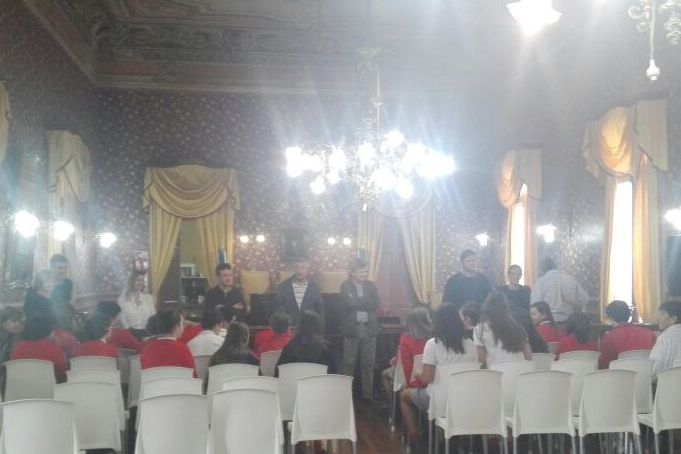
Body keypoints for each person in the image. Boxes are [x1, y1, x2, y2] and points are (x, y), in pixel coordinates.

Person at [400, 304, 476, 440]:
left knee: (404, 396)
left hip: (438, 399)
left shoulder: (432, 344)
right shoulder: (470, 344)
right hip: (465, 399)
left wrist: (417, 373)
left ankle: (414, 437)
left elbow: (427, 378)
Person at [340, 259, 380, 401]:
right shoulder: (345, 286)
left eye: (365, 271)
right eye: (361, 271)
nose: (364, 274)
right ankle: (345, 396)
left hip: (369, 330)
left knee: (368, 365)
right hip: (352, 330)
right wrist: (366, 301)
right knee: (348, 365)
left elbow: (376, 303)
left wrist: (357, 301)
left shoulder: (371, 285)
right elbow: (349, 303)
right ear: (353, 272)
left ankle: (367, 397)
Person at [380, 306, 433, 406]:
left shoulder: (405, 338)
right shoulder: (432, 339)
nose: (430, 319)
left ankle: (393, 406)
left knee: (385, 374)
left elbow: (407, 364)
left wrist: (398, 359)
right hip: (430, 375)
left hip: (413, 375)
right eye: (428, 317)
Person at [475, 291, 531, 368]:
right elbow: (528, 355)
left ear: (486, 307)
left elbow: (481, 360)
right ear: (506, 306)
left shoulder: (480, 329)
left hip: (496, 372)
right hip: (520, 371)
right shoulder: (517, 326)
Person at [11, 313, 67, 382]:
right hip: (49, 386)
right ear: (48, 329)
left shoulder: (18, 347)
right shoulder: (53, 348)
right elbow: (62, 375)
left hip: (21, 386)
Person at [599, 300, 656, 368]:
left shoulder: (609, 338)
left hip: (621, 373)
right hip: (646, 372)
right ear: (628, 314)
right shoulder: (649, 334)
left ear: (610, 317)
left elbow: (605, 365)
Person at [530, 258, 588, 323]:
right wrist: (575, 305)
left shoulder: (540, 282)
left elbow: (535, 304)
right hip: (568, 320)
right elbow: (585, 299)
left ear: (542, 270)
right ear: (556, 267)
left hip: (547, 322)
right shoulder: (569, 279)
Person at [140, 309, 196, 375]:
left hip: (154, 381)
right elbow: (192, 375)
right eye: (183, 324)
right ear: (176, 327)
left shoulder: (147, 348)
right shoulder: (182, 348)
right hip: (178, 381)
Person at [275, 260, 325, 331]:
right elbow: (279, 311)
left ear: (308, 270)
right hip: (288, 330)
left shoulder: (314, 287)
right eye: (297, 267)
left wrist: (321, 331)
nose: (299, 271)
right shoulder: (283, 287)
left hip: (310, 330)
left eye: (303, 268)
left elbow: (320, 311)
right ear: (293, 269)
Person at [649, 301, 681, 378]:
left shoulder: (666, 337)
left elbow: (654, 370)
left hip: (670, 383)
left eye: (662, 315)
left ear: (673, 319)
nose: (657, 319)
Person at [49, 254, 76, 331]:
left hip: (65, 320)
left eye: (65, 268)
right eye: (60, 268)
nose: (63, 271)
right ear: (51, 268)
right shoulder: (45, 284)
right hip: (48, 321)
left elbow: (68, 302)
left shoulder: (68, 283)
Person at [0, 307, 24, 391]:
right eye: (14, 321)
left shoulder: (21, 338)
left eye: (20, 321)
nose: (18, 324)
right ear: (3, 323)